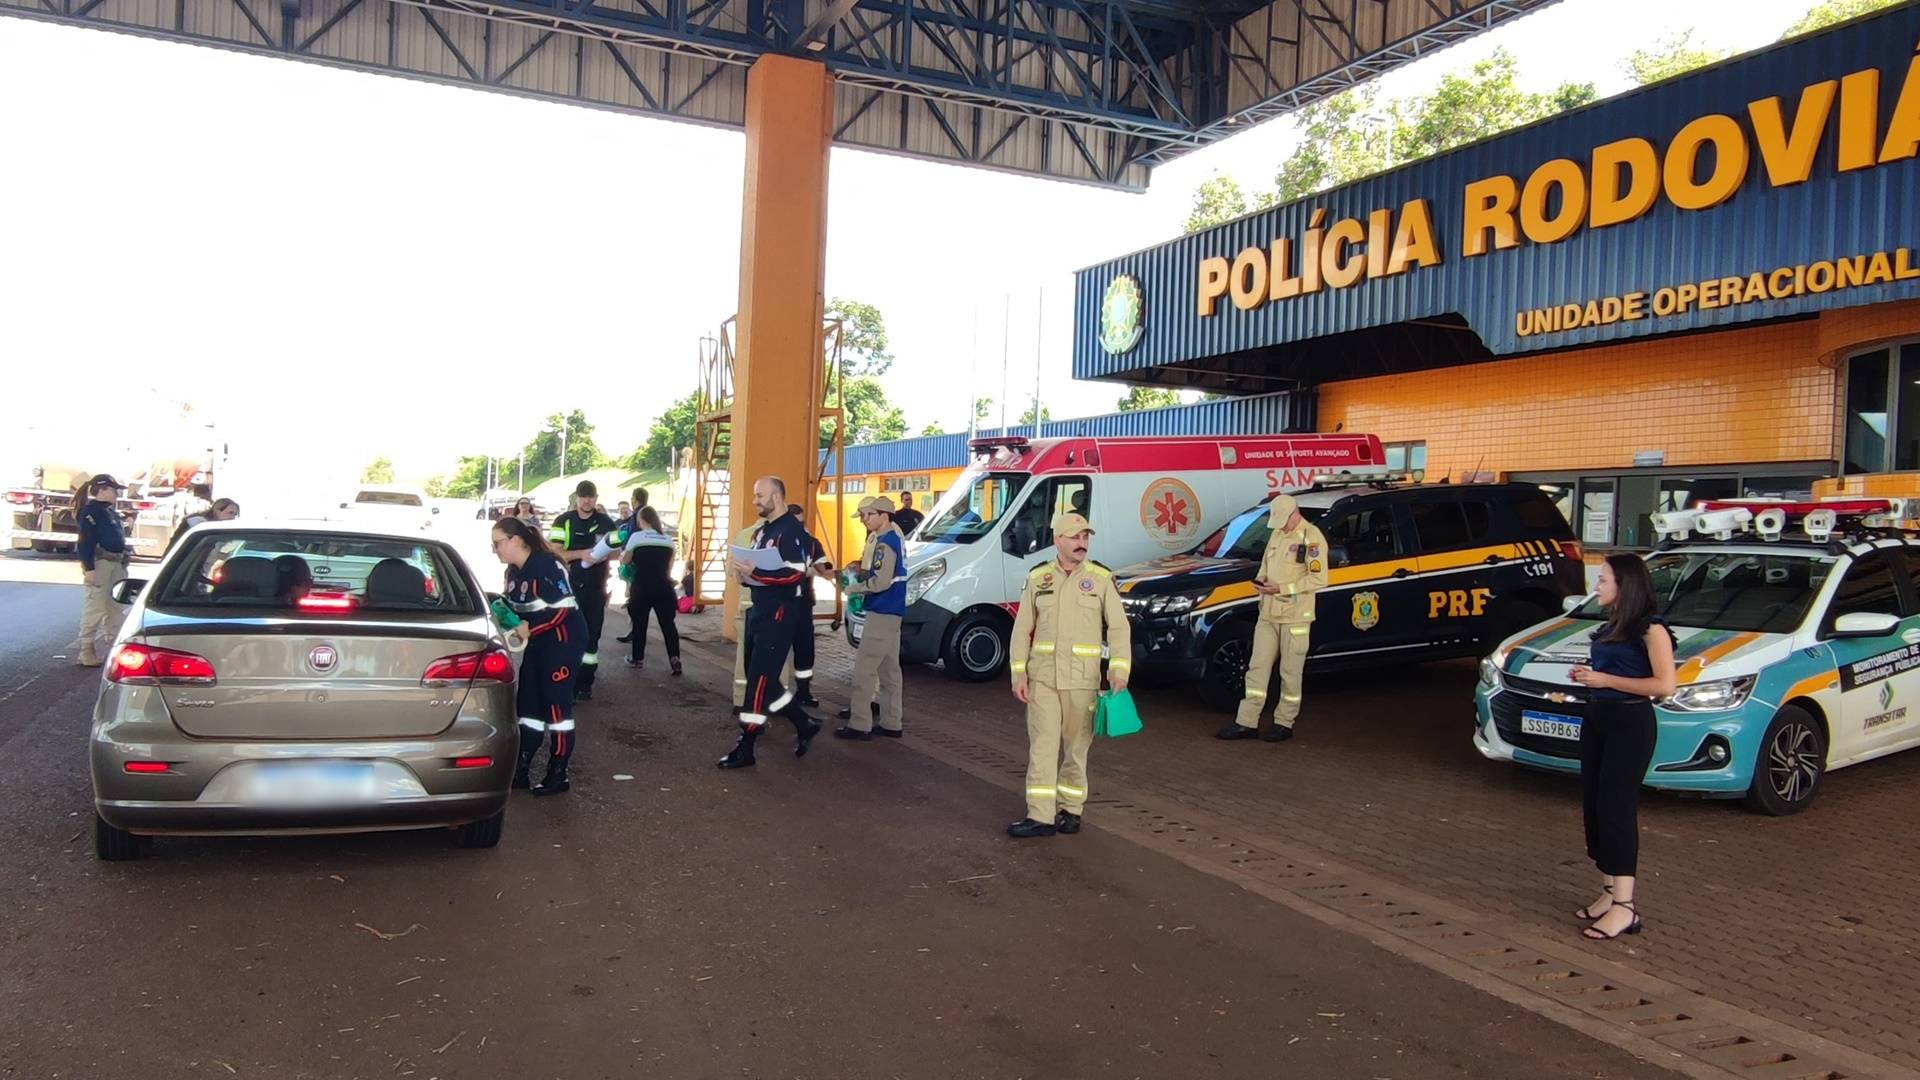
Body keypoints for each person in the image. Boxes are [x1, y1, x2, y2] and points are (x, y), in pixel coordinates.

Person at [1567, 555, 1676, 941]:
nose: (1597, 587)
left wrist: (1605, 679)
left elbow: (1664, 686)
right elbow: (1612, 675)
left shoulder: (1652, 630)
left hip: (1631, 723)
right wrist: (1588, 677)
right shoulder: (1613, 625)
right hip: (1599, 719)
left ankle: (1625, 908)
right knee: (1595, 805)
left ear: (1624, 585)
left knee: (1616, 807)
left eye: (1603, 580)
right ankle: (1608, 892)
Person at [1006, 512, 1130, 838]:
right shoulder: (1038, 578)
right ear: (1057, 540)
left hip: (1082, 679)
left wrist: (1119, 669)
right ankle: (1040, 816)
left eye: (1085, 537)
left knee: (1076, 750)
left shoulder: (1101, 578)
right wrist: (1018, 674)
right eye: (1074, 537)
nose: (1082, 543)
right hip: (1043, 678)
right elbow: (1022, 631)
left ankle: (1071, 810)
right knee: (1043, 748)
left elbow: (1118, 627)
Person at [717, 477, 824, 770]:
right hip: (759, 610)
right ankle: (804, 723)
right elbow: (760, 568)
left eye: (759, 495)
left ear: (776, 496)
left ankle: (746, 745)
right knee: (761, 679)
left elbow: (796, 573)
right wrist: (743, 574)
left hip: (779, 613)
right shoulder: (764, 530)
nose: (755, 501)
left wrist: (758, 573)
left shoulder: (791, 530)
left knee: (760, 682)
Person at [1217, 493, 1328, 744]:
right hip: (1268, 613)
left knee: (1290, 673)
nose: (1280, 525)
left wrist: (1282, 589)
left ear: (1294, 513)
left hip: (1295, 617)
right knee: (1256, 670)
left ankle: (1284, 723)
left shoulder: (1311, 538)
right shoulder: (1277, 534)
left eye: (1283, 520)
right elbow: (1265, 567)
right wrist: (1263, 581)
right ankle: (1246, 722)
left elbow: (1319, 579)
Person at [493, 516, 589, 795]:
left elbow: (563, 611)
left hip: (562, 641)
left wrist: (529, 627)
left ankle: (558, 773)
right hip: (537, 641)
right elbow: (515, 607)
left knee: (556, 707)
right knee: (528, 705)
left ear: (515, 540)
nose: (495, 550)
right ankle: (521, 768)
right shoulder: (513, 572)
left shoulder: (547, 566)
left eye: (498, 543)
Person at [836, 497, 906, 740]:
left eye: (868, 515)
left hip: (882, 611)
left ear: (883, 515)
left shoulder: (885, 543)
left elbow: (881, 581)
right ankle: (891, 722)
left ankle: (860, 724)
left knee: (864, 670)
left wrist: (853, 589)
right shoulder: (894, 538)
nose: (865, 520)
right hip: (893, 612)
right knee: (889, 671)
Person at [547, 481, 620, 701]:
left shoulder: (607, 522)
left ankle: (585, 683)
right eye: (583, 497)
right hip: (568, 588)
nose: (587, 501)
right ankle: (566, 680)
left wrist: (604, 554)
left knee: (592, 638)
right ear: (577, 498)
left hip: (596, 589)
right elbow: (555, 552)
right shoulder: (563, 521)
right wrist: (582, 554)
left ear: (596, 498)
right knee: (567, 636)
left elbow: (617, 552)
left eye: (591, 497)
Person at [74, 474, 130, 667]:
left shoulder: (109, 512)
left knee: (115, 607)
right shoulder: (90, 513)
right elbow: (85, 541)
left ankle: (116, 647)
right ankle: (86, 649)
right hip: (101, 563)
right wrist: (88, 568)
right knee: (95, 606)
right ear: (103, 489)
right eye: (114, 489)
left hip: (116, 564)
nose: (117, 494)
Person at [620, 506, 682, 675]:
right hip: (663, 586)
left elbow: (626, 561)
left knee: (640, 623)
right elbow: (669, 567)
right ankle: (675, 658)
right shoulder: (668, 539)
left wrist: (623, 556)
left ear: (641, 521)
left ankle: (637, 658)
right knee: (668, 624)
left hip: (641, 586)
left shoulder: (636, 537)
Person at [786, 502, 832, 709]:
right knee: (775, 650)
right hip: (781, 605)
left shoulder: (812, 543)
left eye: (802, 522)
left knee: (805, 650)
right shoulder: (776, 542)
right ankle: (773, 695)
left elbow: (824, 569)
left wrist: (834, 574)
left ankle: (803, 691)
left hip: (803, 604)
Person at [166, 498, 239, 554]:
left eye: (235, 514)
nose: (232, 517)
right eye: (230, 513)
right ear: (218, 511)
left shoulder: (214, 527)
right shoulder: (200, 524)